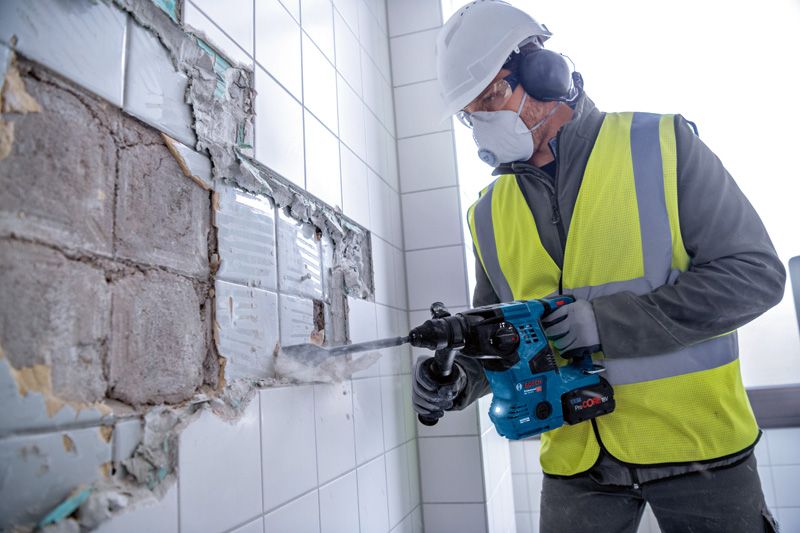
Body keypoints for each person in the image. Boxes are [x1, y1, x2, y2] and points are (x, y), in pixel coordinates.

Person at [411, 1, 787, 532]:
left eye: (490, 95)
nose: (480, 121)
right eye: (468, 111)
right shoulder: (488, 215)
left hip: (698, 448)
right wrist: (458, 379)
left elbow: (756, 276)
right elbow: (499, 339)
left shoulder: (662, 144)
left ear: (543, 73)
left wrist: (606, 324)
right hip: (576, 461)